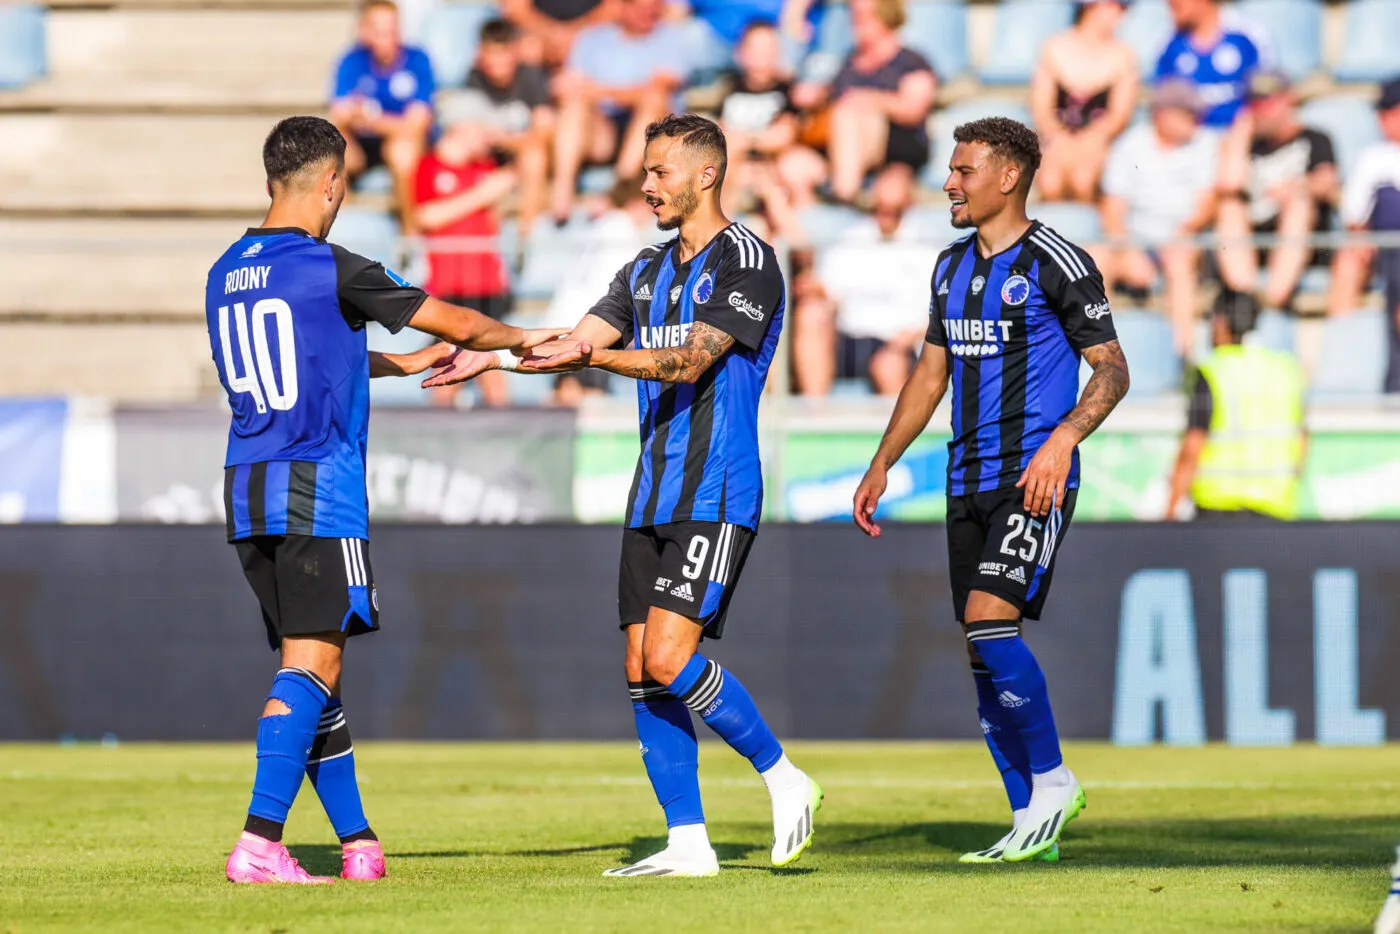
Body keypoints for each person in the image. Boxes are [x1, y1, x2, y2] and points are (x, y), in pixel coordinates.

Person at [425, 114, 821, 877]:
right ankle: (687, 843)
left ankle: (783, 777)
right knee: (641, 663)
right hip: (653, 492)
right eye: (645, 172)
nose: (647, 186)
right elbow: (578, 339)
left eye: (661, 173)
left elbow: (688, 362)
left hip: (719, 486)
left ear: (706, 175)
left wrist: (594, 354)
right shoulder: (643, 271)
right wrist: (496, 358)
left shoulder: (751, 261)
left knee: (673, 657)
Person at [208, 116, 569, 885]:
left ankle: (358, 843)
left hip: (249, 490)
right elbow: (461, 320)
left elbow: (306, 355)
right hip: (317, 489)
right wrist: (522, 339)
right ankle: (260, 842)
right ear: (332, 183)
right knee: (310, 665)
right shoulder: (332, 266)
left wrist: (400, 367)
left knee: (317, 673)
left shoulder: (225, 270)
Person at [853, 117, 1130, 864]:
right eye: (950, 169)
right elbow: (929, 373)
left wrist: (1063, 439)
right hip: (964, 477)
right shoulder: (948, 268)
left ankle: (1054, 779)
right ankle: (1025, 821)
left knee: (988, 623)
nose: (949, 181)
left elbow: (1112, 369)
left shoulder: (1058, 262)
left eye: (963, 169)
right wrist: (883, 461)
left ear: (1008, 176)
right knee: (981, 654)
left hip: (1031, 479)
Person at [1099, 80, 1218, 355]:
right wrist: (1126, 248)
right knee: (1095, 261)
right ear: (1162, 114)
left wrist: (1179, 235)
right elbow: (1113, 207)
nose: (1195, 121)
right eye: (1188, 114)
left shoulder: (1206, 144)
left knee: (1178, 259)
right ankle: (1096, 351)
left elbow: (1207, 206)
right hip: (1136, 239)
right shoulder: (1130, 145)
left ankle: (1179, 354)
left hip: (1184, 237)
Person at [1164, 290, 1305, 521]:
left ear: (1221, 322)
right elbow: (1302, 440)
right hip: (1277, 512)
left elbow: (1193, 445)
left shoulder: (1212, 369)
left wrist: (1170, 510)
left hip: (1219, 510)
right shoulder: (1286, 368)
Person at [781, 0, 936, 206]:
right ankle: (810, 226)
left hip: (892, 153)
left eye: (862, 17)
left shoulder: (911, 62)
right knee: (792, 165)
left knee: (849, 112)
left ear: (885, 17)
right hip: (841, 152)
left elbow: (913, 109)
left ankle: (846, 190)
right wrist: (816, 96)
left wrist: (871, 99)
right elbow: (833, 96)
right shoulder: (849, 62)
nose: (854, 23)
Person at [792, 167, 933, 395]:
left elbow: (936, 313)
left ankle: (900, 429)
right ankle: (815, 418)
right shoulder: (852, 239)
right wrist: (816, 292)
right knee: (811, 315)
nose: (885, 214)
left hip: (898, 343)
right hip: (850, 339)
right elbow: (830, 291)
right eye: (880, 207)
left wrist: (906, 339)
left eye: (894, 209)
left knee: (889, 364)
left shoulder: (927, 248)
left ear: (909, 204)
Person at [412, 107, 517, 407]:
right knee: (447, 370)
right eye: (480, 128)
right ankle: (437, 449)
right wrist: (483, 195)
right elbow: (427, 216)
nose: (486, 136)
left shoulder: (484, 167)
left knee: (492, 370)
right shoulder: (428, 166)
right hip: (447, 289)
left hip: (486, 288)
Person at [550, 0, 689, 222]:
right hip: (603, 130)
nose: (649, 13)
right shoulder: (592, 39)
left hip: (652, 137)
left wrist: (598, 90)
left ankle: (618, 187)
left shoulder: (670, 38)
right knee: (573, 107)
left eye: (654, 7)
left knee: (653, 102)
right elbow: (567, 86)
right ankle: (563, 188)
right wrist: (621, 94)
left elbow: (660, 87)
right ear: (622, 6)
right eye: (642, 7)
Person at [1215, 70, 1337, 312]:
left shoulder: (1315, 138)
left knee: (1298, 204)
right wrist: (1239, 136)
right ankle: (1245, 298)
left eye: (1267, 103)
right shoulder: (1245, 143)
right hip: (1254, 238)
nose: (1260, 111)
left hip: (1302, 241)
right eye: (1254, 104)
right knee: (1229, 207)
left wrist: (1295, 188)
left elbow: (1327, 183)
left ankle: (1272, 301)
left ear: (1287, 101)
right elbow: (1228, 185)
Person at [328, 0, 435, 224]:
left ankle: (410, 235)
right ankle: (338, 235)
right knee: (332, 153)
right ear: (364, 30)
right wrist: (391, 122)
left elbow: (418, 124)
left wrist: (371, 119)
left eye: (392, 29)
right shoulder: (352, 60)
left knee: (402, 152)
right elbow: (339, 115)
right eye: (379, 31)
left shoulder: (418, 60)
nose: (387, 37)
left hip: (402, 144)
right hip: (363, 146)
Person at [1329, 78, 1400, 390]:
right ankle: (1338, 374)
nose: (1383, 120)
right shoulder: (1373, 157)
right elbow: (1355, 217)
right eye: (1382, 112)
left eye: (1391, 111)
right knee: (1349, 260)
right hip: (1385, 253)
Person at [1029, 0, 1138, 203]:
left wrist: (1092, 139)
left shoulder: (1123, 55)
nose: (1123, 14)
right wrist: (1058, 136)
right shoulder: (1055, 47)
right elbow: (1042, 109)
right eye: (1118, 6)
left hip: (1098, 139)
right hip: (1059, 137)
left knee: (1084, 179)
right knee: (1050, 181)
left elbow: (1119, 115)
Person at [455, 17, 555, 234]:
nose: (498, 63)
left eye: (504, 54)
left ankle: (526, 239)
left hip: (522, 163)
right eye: (492, 54)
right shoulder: (473, 79)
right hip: (489, 164)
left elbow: (543, 134)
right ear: (481, 54)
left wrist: (503, 139)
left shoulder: (530, 76)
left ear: (515, 52)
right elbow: (468, 135)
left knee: (534, 158)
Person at [715, 21, 801, 215]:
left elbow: (783, 136)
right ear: (740, 53)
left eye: (769, 48)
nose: (763, 56)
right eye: (756, 48)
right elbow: (719, 132)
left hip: (770, 165)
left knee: (772, 177)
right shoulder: (729, 87)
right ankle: (718, 231)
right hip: (734, 166)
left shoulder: (786, 90)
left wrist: (744, 140)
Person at [1154, 0, 1271, 133]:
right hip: (1187, 141)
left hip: (1244, 136)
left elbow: (1268, 93)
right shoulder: (1169, 44)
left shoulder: (1248, 35)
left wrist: (1244, 131)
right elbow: (1162, 102)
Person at [501, 0, 622, 70]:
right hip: (539, 37)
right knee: (529, 49)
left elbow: (615, 7)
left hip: (590, 36)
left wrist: (574, 35)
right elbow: (515, 8)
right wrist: (551, 35)